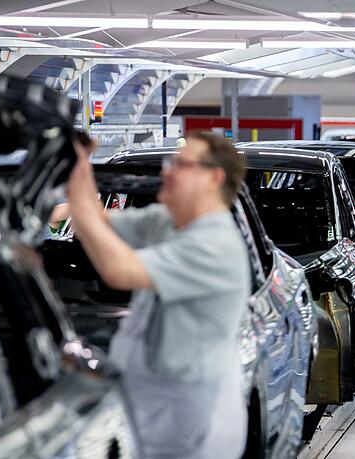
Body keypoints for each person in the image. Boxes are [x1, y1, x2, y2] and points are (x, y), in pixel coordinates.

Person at [66, 131, 250, 459]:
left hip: (189, 420)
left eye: (180, 164)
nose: (167, 170)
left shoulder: (216, 246)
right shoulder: (169, 223)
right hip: (152, 406)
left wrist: (78, 171)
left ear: (213, 178)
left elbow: (117, 270)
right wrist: (76, 177)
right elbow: (96, 223)